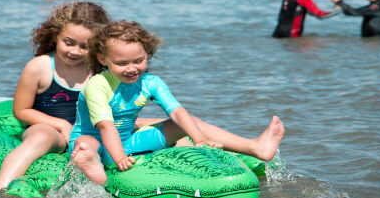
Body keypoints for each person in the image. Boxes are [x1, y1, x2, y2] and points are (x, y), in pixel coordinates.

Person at [69, 20, 285, 185]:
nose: (132, 68)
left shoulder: (151, 82)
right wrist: (120, 158)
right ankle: (94, 167)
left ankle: (257, 147)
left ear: (148, 54)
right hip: (98, 143)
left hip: (129, 142)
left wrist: (199, 140)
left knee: (189, 121)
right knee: (87, 144)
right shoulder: (97, 85)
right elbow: (106, 126)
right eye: (121, 63)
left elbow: (178, 112)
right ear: (102, 60)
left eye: (139, 60)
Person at [0, 1, 112, 191]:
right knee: (41, 136)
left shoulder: (99, 69)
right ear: (56, 35)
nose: (75, 51)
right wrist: (61, 125)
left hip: (89, 132)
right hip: (51, 131)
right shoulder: (40, 67)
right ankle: (0, 189)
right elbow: (21, 110)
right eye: (69, 43)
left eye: (85, 46)